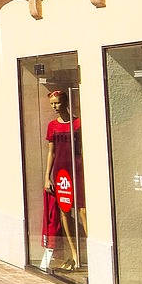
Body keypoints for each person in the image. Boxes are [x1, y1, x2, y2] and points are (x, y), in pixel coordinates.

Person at [42, 89, 86, 272]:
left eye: (58, 103)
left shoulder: (77, 123)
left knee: (83, 210)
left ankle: (89, 250)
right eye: (52, 103)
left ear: (65, 102)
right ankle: (74, 253)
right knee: (64, 211)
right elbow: (51, 152)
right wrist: (47, 176)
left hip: (77, 169)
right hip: (61, 172)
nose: (55, 107)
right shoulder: (52, 126)